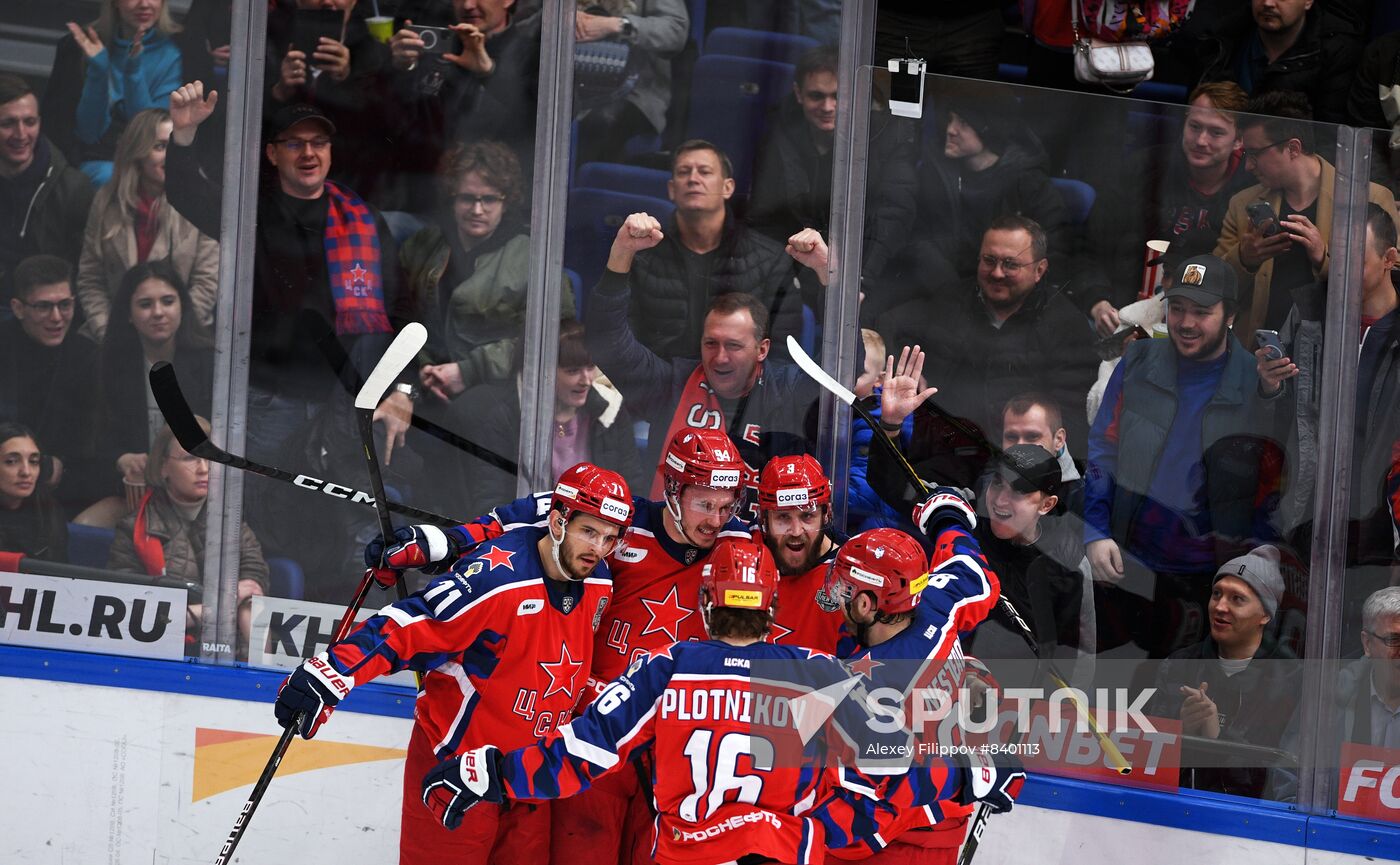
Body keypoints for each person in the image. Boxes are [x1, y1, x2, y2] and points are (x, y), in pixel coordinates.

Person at [416, 537, 1024, 865]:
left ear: (707, 605)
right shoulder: (824, 677)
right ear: (773, 609)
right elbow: (891, 779)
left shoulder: (668, 670)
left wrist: (486, 771)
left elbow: (576, 756)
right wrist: (974, 776)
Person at [363, 428, 751, 865]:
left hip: (673, 750)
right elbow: (527, 519)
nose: (716, 519)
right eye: (705, 504)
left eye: (726, 506)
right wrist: (448, 544)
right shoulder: (618, 526)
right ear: (674, 490)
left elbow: (804, 562)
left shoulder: (742, 545)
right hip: (591, 737)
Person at [274, 463, 635, 865]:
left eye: (609, 538)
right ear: (557, 521)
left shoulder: (600, 578)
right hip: (456, 766)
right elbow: (411, 625)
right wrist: (331, 674)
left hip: (527, 775)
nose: (599, 549)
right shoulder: (497, 580)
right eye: (589, 532)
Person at [1086, 253, 1281, 659]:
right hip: (1128, 561)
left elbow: (1271, 486)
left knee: (1183, 702)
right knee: (1112, 693)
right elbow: (1103, 451)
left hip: (1208, 580)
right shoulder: (1138, 361)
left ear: (1230, 316)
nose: (1186, 322)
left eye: (1202, 311)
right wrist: (1096, 531)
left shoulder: (1257, 381)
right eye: (1177, 308)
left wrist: (1252, 573)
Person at [586, 220, 828, 496]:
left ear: (762, 349)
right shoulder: (671, 385)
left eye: (734, 346)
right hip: (671, 534)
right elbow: (606, 342)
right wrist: (622, 252)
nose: (720, 358)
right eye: (711, 343)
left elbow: (840, 373)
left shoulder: (787, 389)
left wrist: (826, 271)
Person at [826, 498, 1002, 865]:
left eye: (844, 589)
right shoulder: (937, 602)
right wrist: (946, 516)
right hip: (945, 818)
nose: (835, 596)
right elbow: (973, 570)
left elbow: (870, 802)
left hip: (901, 840)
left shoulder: (870, 689)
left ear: (865, 606)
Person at [1257, 204, 1400, 636]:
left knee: (1363, 651)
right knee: (1298, 646)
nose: (1340, 271)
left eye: (1356, 259)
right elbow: (1273, 418)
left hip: (1376, 528)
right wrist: (1268, 385)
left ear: (1391, 259)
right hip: (1307, 517)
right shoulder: (1309, 311)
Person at [246, 102, 413, 466]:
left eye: (319, 143)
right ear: (272, 154)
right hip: (275, 399)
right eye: (295, 144)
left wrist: (401, 388)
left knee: (334, 510)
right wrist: (184, 136)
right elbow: (192, 198)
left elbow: (400, 310)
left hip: (350, 400)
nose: (309, 153)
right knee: (261, 504)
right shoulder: (252, 214)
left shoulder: (363, 219)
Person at [881, 216, 1100, 453]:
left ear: (1040, 270)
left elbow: (1073, 418)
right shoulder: (951, 301)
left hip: (1021, 462)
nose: (997, 273)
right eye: (989, 260)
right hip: (947, 451)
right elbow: (889, 324)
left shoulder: (1066, 324)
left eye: (1010, 264)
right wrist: (909, 373)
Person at [1213, 91, 1398, 339]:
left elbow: (1389, 285)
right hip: (1260, 355)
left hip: (1335, 353)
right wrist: (1244, 258)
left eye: (1255, 154)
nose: (1248, 166)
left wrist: (1324, 260)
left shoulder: (1368, 200)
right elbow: (1213, 288)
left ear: (1293, 148)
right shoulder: (1242, 203)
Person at [604, 141, 806, 362]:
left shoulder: (770, 259)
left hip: (741, 392)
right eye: (684, 172)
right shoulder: (643, 254)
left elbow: (782, 354)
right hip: (660, 387)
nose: (693, 179)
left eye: (705, 172)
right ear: (672, 189)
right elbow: (616, 340)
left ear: (727, 187)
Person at [405, 140, 572, 404]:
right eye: (467, 198)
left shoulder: (534, 259)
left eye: (490, 199)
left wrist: (467, 371)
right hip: (424, 378)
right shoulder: (426, 244)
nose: (477, 209)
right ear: (453, 199)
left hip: (492, 387)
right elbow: (401, 315)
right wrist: (421, 371)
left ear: (506, 202)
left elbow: (552, 338)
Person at [1084, 82, 1255, 336]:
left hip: (1208, 327)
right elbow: (1088, 246)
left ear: (1238, 140)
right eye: (1194, 127)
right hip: (1126, 313)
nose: (1200, 140)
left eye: (1216, 133)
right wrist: (1097, 301)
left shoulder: (1252, 191)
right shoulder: (1144, 168)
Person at [748, 46, 917, 288]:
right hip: (794, 263)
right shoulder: (777, 133)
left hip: (866, 269)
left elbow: (894, 214)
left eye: (838, 96)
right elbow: (764, 217)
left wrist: (858, 281)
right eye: (817, 95)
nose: (828, 107)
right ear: (798, 93)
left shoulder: (887, 137)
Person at [1147, 545, 1300, 798]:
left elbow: (1283, 779)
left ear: (1265, 615)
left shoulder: (1291, 680)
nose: (1220, 606)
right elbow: (1146, 759)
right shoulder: (1180, 664)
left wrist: (1218, 736)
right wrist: (1180, 726)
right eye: (1216, 594)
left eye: (1236, 599)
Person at [107, 417, 268, 656]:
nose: (204, 468)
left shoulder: (232, 522)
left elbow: (253, 588)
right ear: (162, 467)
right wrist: (212, 610)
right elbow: (129, 613)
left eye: (210, 457)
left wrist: (194, 613)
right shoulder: (133, 529)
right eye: (190, 458)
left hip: (227, 654)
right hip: (157, 652)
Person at [452, 319, 647, 515]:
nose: (586, 380)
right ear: (542, 373)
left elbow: (632, 490)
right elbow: (491, 500)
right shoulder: (504, 418)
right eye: (573, 371)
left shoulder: (610, 411)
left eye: (590, 367)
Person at [902, 84, 1070, 304]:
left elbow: (1054, 248)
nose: (951, 130)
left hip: (1007, 296)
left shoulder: (1027, 182)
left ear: (989, 129)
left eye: (963, 123)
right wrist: (949, 290)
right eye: (951, 119)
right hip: (942, 292)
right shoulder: (937, 174)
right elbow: (919, 240)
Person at [81, 261, 214, 528]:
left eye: (167, 301)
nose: (158, 312)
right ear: (128, 313)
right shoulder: (107, 363)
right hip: (132, 494)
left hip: (197, 497)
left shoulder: (210, 362)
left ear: (182, 306)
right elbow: (92, 441)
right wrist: (121, 460)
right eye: (145, 304)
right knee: (84, 526)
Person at [75, 108, 219, 341]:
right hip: (114, 336)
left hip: (181, 337)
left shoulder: (201, 202)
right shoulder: (105, 201)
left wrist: (168, 338)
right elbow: (91, 280)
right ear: (138, 153)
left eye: (175, 146)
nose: (170, 155)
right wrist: (109, 335)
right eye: (160, 147)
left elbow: (206, 284)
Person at [386, 0, 542, 208]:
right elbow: (398, 126)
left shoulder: (535, 55)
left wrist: (490, 73)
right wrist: (401, 68)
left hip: (498, 209)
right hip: (426, 200)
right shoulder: (435, 46)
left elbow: (553, 120)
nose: (468, 5)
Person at [964, 445, 1088, 663]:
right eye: (998, 484)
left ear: (1046, 505)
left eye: (1019, 491)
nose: (1000, 500)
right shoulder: (966, 525)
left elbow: (1077, 649)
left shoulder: (1067, 563)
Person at [264, 0, 394, 203]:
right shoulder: (265, 38)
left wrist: (348, 80)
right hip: (277, 195)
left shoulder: (374, 50)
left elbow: (388, 134)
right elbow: (244, 129)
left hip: (354, 195)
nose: (327, 2)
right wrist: (280, 91)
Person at [45, 0, 186, 185]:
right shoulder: (85, 46)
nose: (144, 4)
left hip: (150, 164)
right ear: (115, 3)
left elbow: (148, 135)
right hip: (97, 162)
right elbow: (89, 134)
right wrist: (98, 71)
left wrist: (133, 72)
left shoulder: (174, 53)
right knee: (104, 176)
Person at [0, 256, 99, 515]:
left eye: (64, 304)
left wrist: (55, 468)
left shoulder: (87, 357)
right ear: (18, 308)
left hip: (60, 493)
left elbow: (91, 447)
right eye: (44, 306)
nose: (57, 317)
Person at [0, 75, 94, 299]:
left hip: (40, 314)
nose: (21, 134)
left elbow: (86, 274)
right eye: (7, 124)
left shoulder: (73, 189)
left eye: (29, 122)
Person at [1195, 0, 1363, 124]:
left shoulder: (1335, 50)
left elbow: (1329, 136)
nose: (1268, 3)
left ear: (1308, 2)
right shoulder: (1222, 40)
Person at [571, 0, 688, 167]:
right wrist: (558, 19)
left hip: (633, 89)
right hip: (562, 78)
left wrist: (619, 24)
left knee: (598, 124)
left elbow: (675, 30)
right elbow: (526, 20)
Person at [751, 454, 844, 653]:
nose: (795, 531)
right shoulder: (743, 550)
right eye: (783, 517)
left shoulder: (851, 575)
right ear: (764, 519)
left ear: (826, 515)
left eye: (807, 516)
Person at [0, 423, 68, 564]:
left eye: (34, 462)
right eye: (11, 461)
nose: (26, 472)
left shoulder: (49, 511)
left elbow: (61, 577)